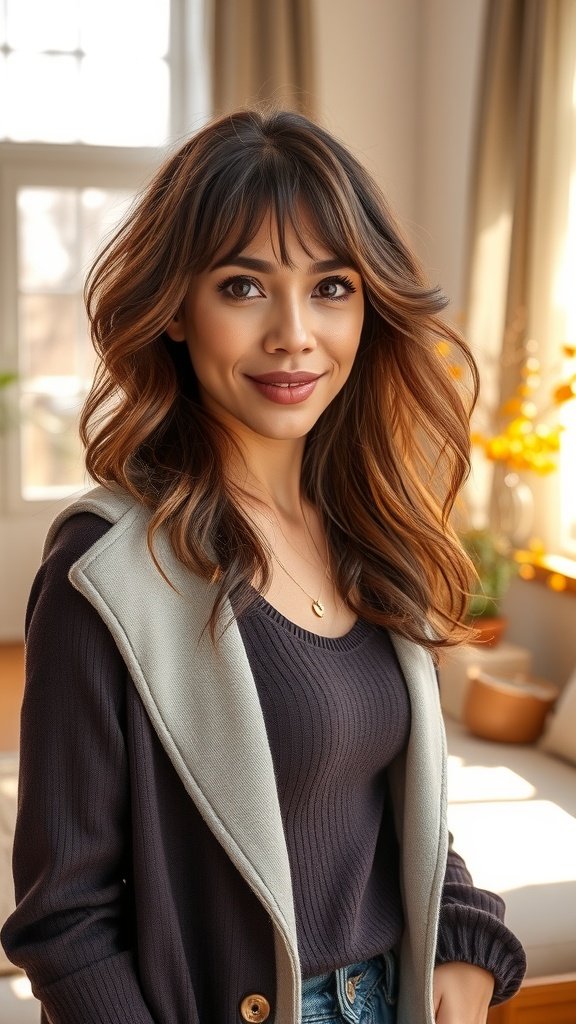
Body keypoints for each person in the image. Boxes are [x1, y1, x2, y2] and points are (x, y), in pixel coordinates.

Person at [1, 108, 526, 1024]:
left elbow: (394, 800)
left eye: (332, 288)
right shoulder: (108, 568)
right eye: (244, 287)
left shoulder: (372, 531)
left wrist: (465, 935)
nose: (294, 334)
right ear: (173, 308)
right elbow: (65, 918)